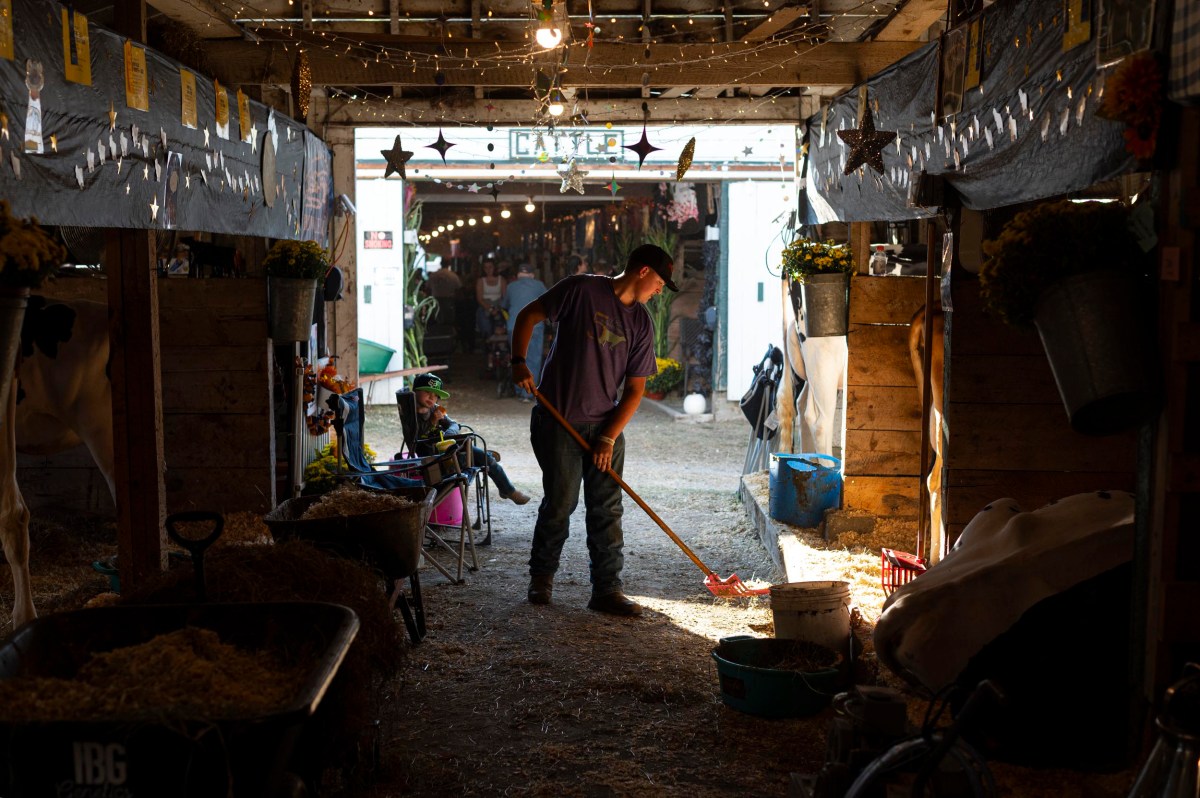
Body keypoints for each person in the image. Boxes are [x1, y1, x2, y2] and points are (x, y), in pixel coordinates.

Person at [510, 243, 678, 617]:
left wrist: (608, 436)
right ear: (643, 271)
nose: (660, 290)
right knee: (561, 502)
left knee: (606, 508)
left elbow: (635, 391)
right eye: (661, 281)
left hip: (605, 427)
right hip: (558, 420)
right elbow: (528, 315)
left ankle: (607, 590)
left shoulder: (641, 324)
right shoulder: (581, 289)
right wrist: (518, 361)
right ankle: (541, 579)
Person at [411, 373, 531, 505]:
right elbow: (418, 441)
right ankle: (508, 490)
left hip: (448, 451)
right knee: (485, 458)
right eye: (427, 392)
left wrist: (449, 432)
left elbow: (454, 424)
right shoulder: (411, 415)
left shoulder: (436, 409)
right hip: (436, 460)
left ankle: (507, 488)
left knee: (479, 454)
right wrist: (433, 422)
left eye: (435, 395)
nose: (431, 397)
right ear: (415, 392)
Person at [499, 262, 548, 402]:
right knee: (534, 359)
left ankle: (521, 391)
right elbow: (549, 304)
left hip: (513, 327)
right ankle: (530, 392)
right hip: (534, 327)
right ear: (532, 274)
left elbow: (504, 305)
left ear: (518, 275)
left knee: (518, 359)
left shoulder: (510, 287)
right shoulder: (539, 285)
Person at [475, 258, 507, 346]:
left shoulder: (501, 279)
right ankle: (487, 339)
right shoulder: (481, 281)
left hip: (499, 304)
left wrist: (499, 308)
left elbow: (505, 297)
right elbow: (480, 299)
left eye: (490, 267)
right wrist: (490, 309)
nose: (488, 270)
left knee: (504, 319)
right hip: (485, 304)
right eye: (485, 268)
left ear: (494, 268)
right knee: (484, 320)